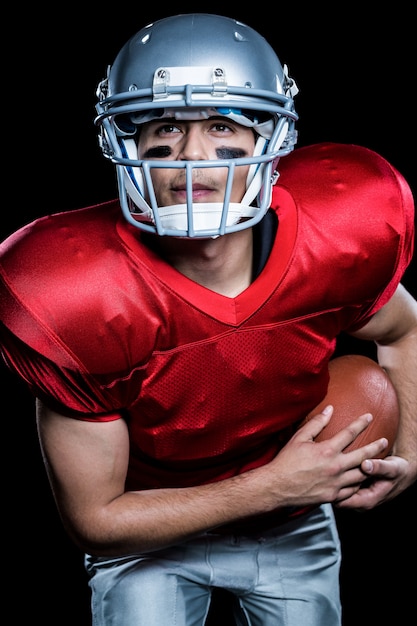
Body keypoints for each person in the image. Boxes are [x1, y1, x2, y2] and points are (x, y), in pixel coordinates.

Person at [1, 12, 416, 626]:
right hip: (150, 529)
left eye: (222, 126)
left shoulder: (340, 231)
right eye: (165, 128)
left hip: (292, 521)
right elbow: (95, 521)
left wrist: (410, 450)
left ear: (269, 143)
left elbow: (403, 327)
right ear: (127, 144)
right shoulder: (75, 290)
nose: (192, 156)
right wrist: (278, 484)